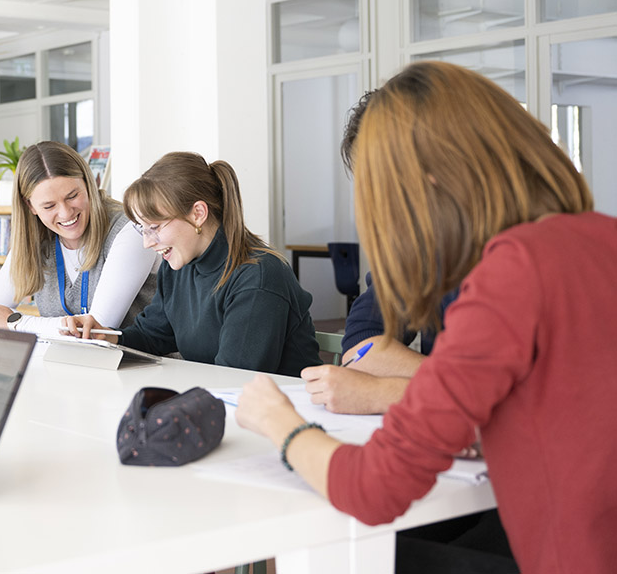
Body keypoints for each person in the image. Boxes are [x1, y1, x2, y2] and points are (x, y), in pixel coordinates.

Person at [235, 61, 617, 574]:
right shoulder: (600, 237)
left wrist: (281, 424)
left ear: (427, 180)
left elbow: (374, 487)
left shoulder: (513, 272)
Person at [69, 152, 321, 375]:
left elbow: (234, 378)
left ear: (198, 213)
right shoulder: (178, 265)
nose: (147, 243)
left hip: (280, 413)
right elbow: (152, 335)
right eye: (142, 229)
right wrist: (106, 337)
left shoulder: (258, 277)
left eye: (155, 227)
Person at [301, 91, 459, 415]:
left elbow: (511, 398)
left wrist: (384, 392)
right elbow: (361, 342)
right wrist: (446, 390)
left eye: (384, 182)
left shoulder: (514, 249)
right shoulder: (422, 248)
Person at [0, 140, 157, 337]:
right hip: (74, 364)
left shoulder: (131, 228)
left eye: (72, 196)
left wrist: (16, 323)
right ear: (31, 207)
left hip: (147, 365)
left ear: (89, 184)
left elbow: (96, 330)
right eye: (49, 206)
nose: (65, 213)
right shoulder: (36, 240)